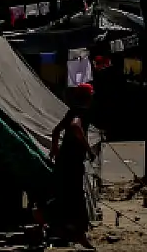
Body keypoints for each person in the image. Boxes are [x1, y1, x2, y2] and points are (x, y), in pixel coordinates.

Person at [49, 83, 95, 244]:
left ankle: (65, 227)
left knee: (65, 193)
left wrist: (55, 149)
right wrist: (88, 149)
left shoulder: (71, 111)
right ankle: (79, 231)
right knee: (76, 194)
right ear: (87, 98)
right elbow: (75, 126)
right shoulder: (80, 113)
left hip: (64, 158)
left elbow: (56, 131)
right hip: (73, 160)